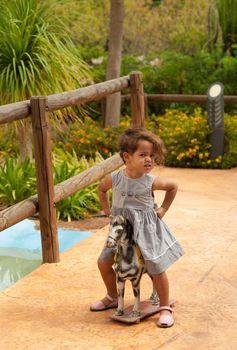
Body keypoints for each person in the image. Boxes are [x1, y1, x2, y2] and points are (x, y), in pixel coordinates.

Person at [90, 127, 184, 328]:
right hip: (121, 230)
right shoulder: (114, 179)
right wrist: (108, 212)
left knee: (155, 267)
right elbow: (101, 189)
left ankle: (165, 307)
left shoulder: (151, 181)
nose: (149, 159)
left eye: (152, 155)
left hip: (145, 232)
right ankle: (112, 296)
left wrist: (163, 209)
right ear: (127, 156)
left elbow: (173, 187)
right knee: (104, 262)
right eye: (143, 155)